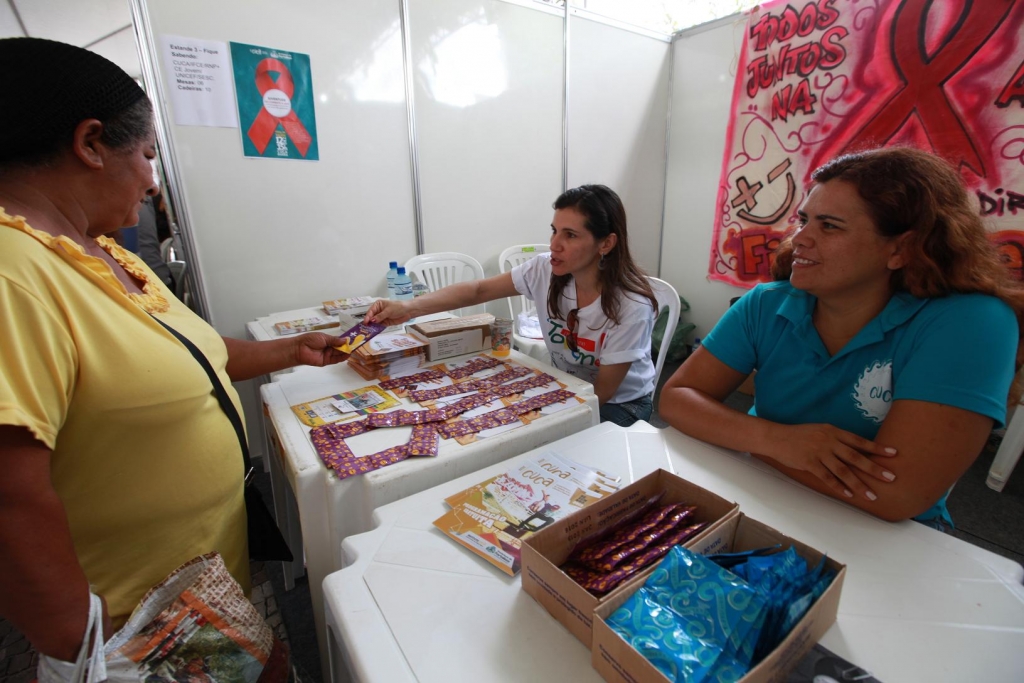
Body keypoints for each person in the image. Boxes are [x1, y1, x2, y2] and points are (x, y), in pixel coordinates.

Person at [0, 38, 348, 667]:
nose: (152, 179)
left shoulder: (102, 252)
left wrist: (293, 348)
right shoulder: (13, 270)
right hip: (136, 625)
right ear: (90, 144)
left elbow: (201, 357)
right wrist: (83, 653)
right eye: (146, 154)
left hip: (198, 595)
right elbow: (9, 496)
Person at [659, 147, 1023, 526]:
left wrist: (746, 439)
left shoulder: (973, 322)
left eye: (829, 226)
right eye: (804, 220)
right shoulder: (767, 303)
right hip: (762, 493)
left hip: (884, 535)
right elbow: (676, 400)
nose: (799, 238)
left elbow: (895, 495)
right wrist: (780, 442)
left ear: (902, 248)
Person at [366, 184, 659, 425]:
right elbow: (478, 290)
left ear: (605, 244)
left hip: (621, 405)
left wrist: (531, 411)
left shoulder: (631, 305)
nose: (554, 244)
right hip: (566, 383)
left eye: (570, 235)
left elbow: (602, 392)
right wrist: (407, 308)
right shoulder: (545, 270)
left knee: (528, 438)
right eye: (554, 230)